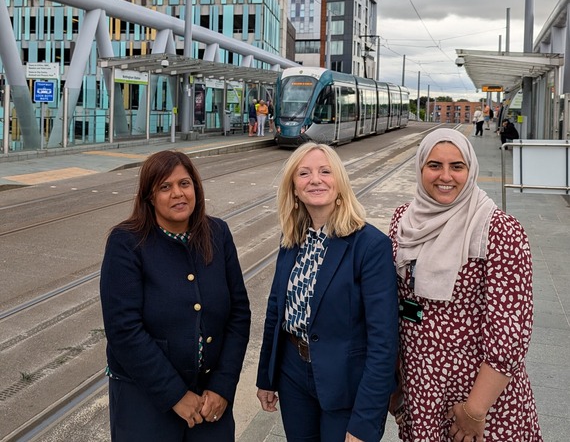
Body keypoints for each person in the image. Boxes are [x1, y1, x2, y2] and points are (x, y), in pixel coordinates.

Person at [388, 129, 543, 442]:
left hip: (478, 393)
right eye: (434, 165)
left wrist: (475, 410)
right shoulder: (404, 220)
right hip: (421, 384)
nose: (446, 176)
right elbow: (396, 302)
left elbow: (509, 332)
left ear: (470, 170)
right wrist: (395, 380)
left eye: (457, 166)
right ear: (420, 168)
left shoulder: (498, 230)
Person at [100, 150, 251, 442]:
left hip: (210, 403)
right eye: (165, 187)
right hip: (144, 398)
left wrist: (222, 386)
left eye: (184, 183)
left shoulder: (217, 233)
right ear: (149, 197)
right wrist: (175, 395)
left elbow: (239, 313)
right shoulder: (126, 242)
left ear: (196, 187)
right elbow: (123, 330)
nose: (177, 194)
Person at [256, 142, 399, 442]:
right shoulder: (292, 238)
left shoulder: (370, 246)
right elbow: (275, 310)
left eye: (325, 171)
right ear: (294, 188)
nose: (315, 179)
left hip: (346, 385)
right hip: (293, 376)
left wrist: (365, 422)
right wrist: (266, 379)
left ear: (340, 182)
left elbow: (383, 342)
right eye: (304, 173)